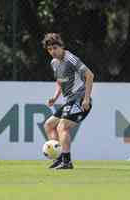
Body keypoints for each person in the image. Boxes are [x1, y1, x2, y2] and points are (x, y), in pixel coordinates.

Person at [42, 33, 94, 170]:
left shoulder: (70, 58)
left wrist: (87, 98)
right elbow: (60, 82)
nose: (53, 51)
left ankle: (67, 161)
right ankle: (59, 158)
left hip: (81, 99)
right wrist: (55, 97)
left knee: (62, 126)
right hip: (70, 101)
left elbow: (89, 75)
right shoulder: (54, 63)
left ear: (61, 46)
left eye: (55, 48)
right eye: (49, 49)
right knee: (49, 125)